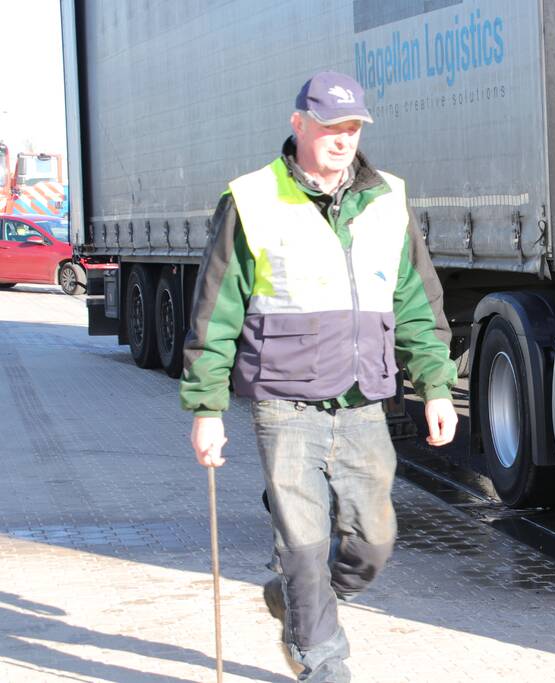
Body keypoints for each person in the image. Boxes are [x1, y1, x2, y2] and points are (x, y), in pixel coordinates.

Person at [180, 71, 459, 682]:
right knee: (302, 544)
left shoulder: (387, 197)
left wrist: (435, 386)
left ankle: (299, 600)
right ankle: (321, 657)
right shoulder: (252, 199)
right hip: (284, 401)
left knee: (373, 541)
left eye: (352, 127)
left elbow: (415, 299)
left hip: (362, 402)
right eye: (330, 126)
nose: (342, 139)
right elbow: (217, 307)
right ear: (299, 123)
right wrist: (207, 410)